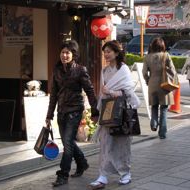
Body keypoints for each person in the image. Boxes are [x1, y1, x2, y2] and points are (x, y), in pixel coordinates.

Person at [45, 39, 99, 187]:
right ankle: (82, 163)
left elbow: (90, 90)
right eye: (62, 52)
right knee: (67, 143)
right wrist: (49, 115)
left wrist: (95, 110)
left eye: (67, 52)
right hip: (61, 112)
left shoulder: (80, 70)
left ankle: (63, 175)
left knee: (67, 144)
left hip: (75, 111)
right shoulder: (56, 71)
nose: (64, 55)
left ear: (73, 54)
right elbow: (54, 95)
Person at [89, 40, 141, 189]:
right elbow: (101, 92)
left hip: (122, 112)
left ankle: (125, 173)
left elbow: (128, 92)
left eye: (109, 51)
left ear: (117, 53)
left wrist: (111, 92)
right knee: (105, 144)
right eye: (104, 51)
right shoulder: (104, 71)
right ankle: (103, 175)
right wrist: (98, 109)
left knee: (122, 144)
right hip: (107, 111)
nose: (106, 54)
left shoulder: (123, 70)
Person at [142, 37, 176, 139]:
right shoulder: (166, 56)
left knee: (154, 106)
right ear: (162, 45)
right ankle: (162, 133)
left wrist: (148, 80)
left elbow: (144, 73)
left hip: (152, 84)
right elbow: (173, 72)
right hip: (164, 85)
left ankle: (153, 123)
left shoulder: (147, 57)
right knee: (164, 109)